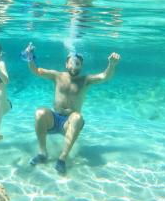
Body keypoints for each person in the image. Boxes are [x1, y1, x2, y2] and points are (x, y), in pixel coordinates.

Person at [21, 42, 120, 174]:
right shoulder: (57, 76)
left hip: (70, 123)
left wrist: (111, 65)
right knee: (40, 112)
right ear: (66, 64)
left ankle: (62, 158)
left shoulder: (85, 80)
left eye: (77, 63)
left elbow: (104, 76)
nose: (74, 66)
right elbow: (36, 71)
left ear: (81, 66)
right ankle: (42, 153)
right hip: (54, 119)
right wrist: (29, 57)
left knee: (78, 117)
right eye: (71, 63)